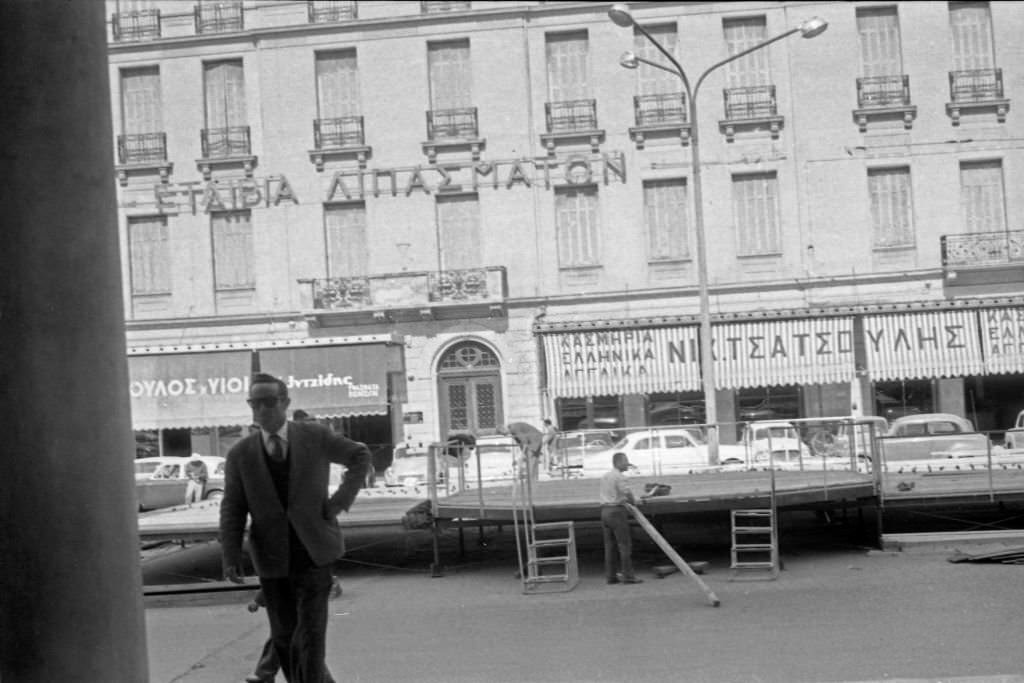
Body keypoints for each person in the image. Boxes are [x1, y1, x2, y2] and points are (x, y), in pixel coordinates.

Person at [221, 372, 372, 683]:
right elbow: (233, 507)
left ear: (285, 403)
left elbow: (359, 455)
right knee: (285, 639)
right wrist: (231, 552)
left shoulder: (314, 436)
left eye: (269, 402)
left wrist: (339, 501)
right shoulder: (241, 454)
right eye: (255, 403)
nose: (262, 410)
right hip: (271, 558)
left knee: (311, 638)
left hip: (314, 551)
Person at [245, 582, 343, 683]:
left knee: (296, 642)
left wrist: (258, 600)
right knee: (291, 640)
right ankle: (264, 673)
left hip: (301, 601)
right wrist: (258, 599)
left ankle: (264, 673)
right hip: (292, 603)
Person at [599, 452, 644, 585]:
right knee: (624, 545)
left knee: (609, 546)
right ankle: (628, 576)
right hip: (616, 512)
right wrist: (634, 502)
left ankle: (611, 576)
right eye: (626, 461)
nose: (627, 464)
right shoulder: (620, 477)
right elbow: (626, 493)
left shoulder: (605, 476)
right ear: (618, 462)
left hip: (604, 511)